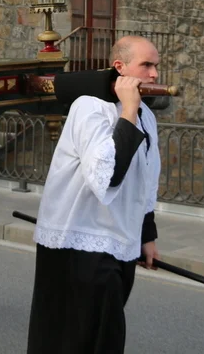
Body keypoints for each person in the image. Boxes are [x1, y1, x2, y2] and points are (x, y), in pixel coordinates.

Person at [27, 36, 163, 354]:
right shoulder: (89, 107)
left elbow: (146, 179)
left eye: (156, 66)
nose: (155, 74)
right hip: (78, 243)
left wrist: (147, 235)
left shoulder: (146, 115)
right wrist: (128, 109)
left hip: (120, 239)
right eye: (146, 65)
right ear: (120, 67)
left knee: (104, 337)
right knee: (78, 341)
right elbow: (106, 176)